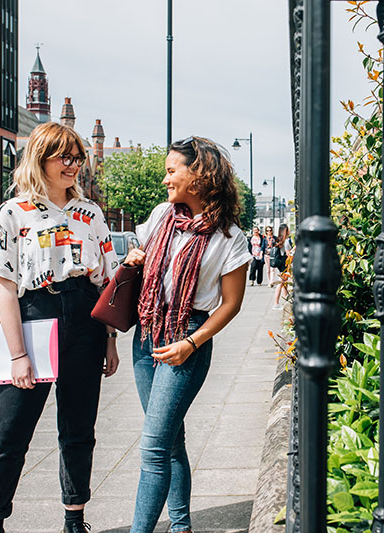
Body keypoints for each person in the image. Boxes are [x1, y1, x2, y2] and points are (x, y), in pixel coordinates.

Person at [0, 122, 120, 533]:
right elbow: (4, 288)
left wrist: (110, 341)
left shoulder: (89, 213)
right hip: (35, 313)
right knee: (8, 432)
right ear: (40, 159)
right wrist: (18, 354)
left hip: (84, 317)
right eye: (64, 157)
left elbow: (106, 282)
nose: (73, 165)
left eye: (77, 157)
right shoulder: (13, 212)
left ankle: (74, 518)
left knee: (78, 428)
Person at [124, 136, 251, 533]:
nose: (166, 180)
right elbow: (139, 248)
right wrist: (133, 258)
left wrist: (191, 343)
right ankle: (181, 526)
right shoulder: (162, 215)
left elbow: (230, 304)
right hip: (147, 333)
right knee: (169, 438)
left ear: (199, 175)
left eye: (171, 170)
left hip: (188, 337)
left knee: (154, 445)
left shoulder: (230, 237)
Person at [272, 223, 293, 310]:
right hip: (285, 264)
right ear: (285, 231)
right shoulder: (287, 241)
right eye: (288, 229)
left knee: (284, 282)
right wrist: (294, 249)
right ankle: (276, 303)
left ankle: (285, 299)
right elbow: (288, 254)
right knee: (281, 283)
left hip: (280, 263)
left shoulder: (279, 240)